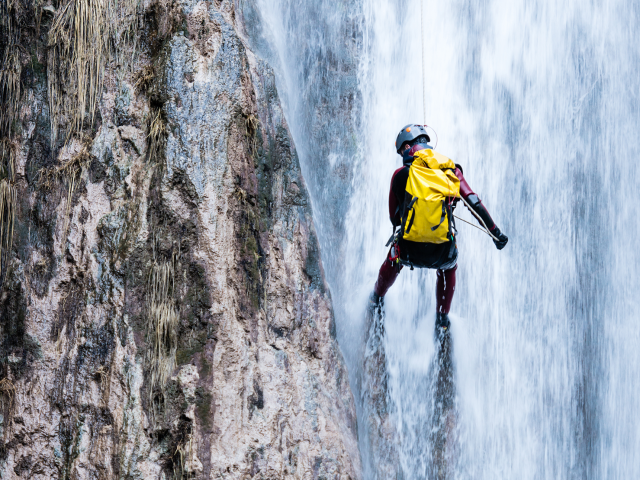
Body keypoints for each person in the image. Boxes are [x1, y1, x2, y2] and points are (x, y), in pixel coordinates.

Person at [370, 124, 508, 332]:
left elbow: (394, 218)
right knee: (449, 267)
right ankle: (442, 318)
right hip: (442, 252)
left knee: (394, 256)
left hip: (408, 250)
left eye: (401, 151)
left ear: (408, 146)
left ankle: (376, 298)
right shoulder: (450, 170)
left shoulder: (399, 174)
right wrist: (495, 233)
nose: (401, 155)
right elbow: (473, 202)